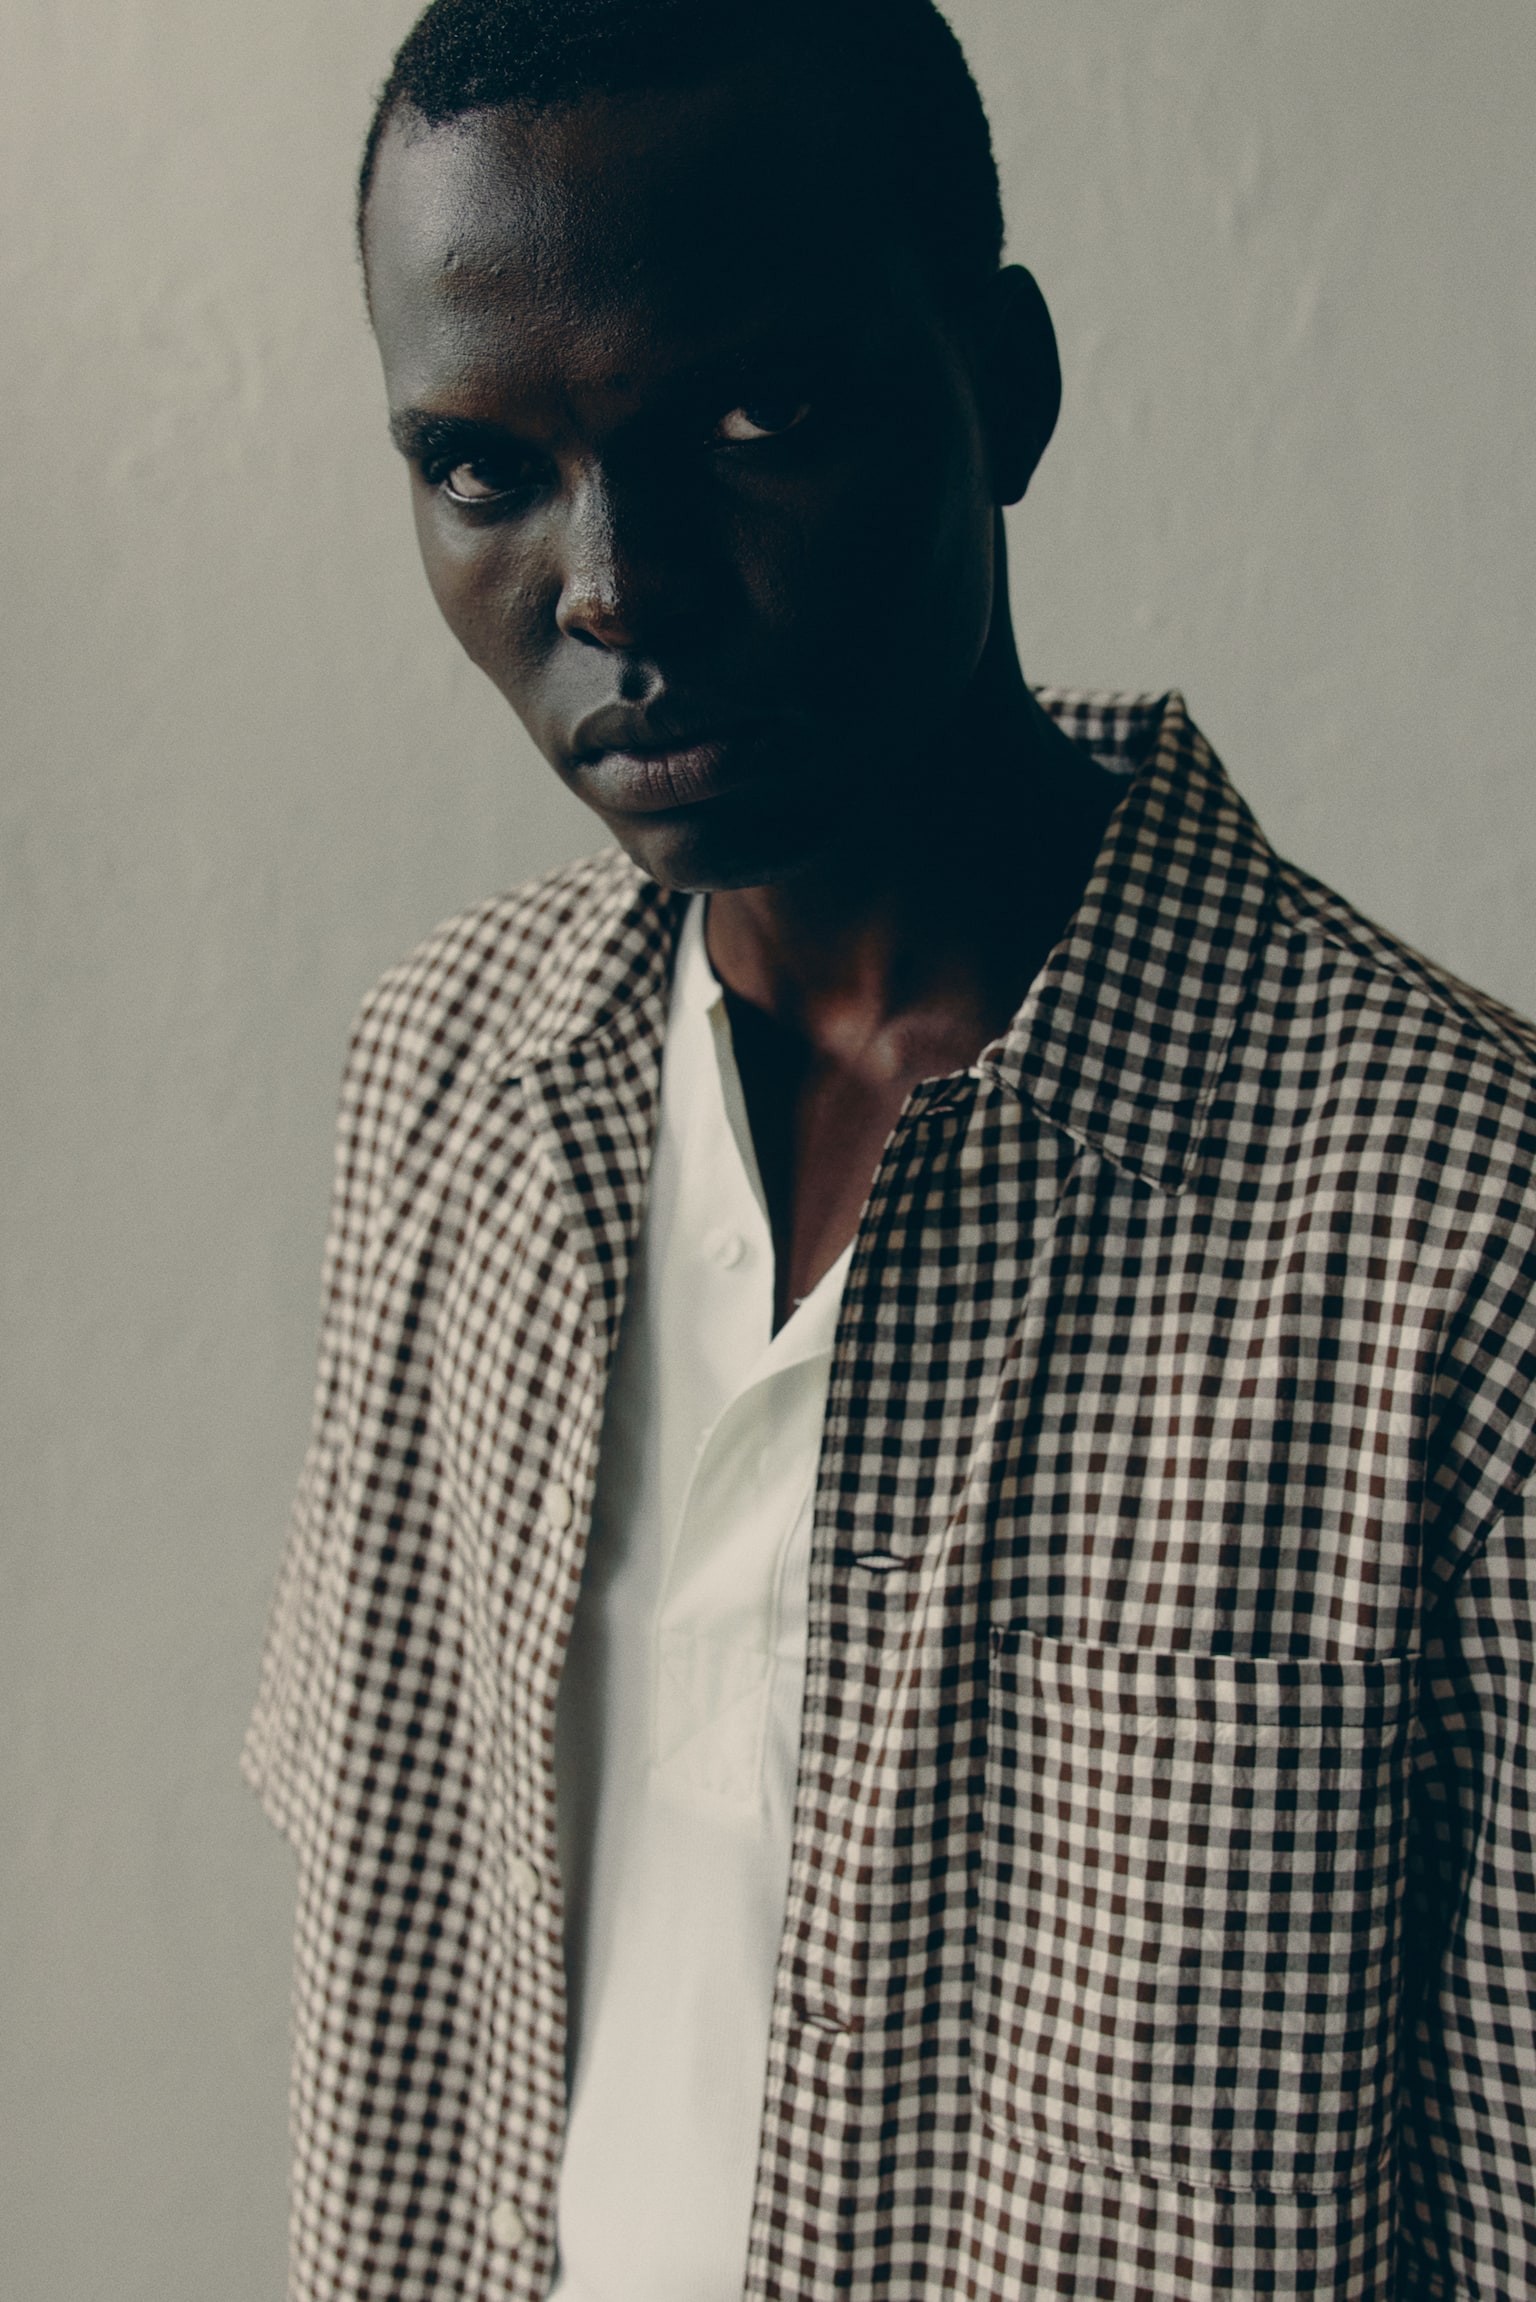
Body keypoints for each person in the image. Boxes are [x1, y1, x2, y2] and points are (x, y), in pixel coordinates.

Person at [244, 1, 1536, 2296]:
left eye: (760, 418)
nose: (617, 583)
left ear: (1004, 386)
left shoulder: (1462, 1233)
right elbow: (408, 1938)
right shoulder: (441, 1081)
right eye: (483, 466)